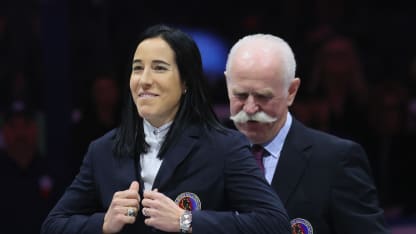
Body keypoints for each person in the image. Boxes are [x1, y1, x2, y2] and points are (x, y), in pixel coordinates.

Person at [41, 24, 291, 234]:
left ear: (185, 82)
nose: (144, 79)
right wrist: (103, 223)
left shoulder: (224, 147)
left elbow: (274, 222)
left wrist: (186, 221)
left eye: (159, 68)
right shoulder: (102, 150)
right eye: (138, 68)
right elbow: (53, 225)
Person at [224, 33, 390, 233]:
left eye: (263, 96)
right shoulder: (204, 152)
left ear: (291, 92)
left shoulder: (336, 160)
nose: (250, 108)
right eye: (240, 95)